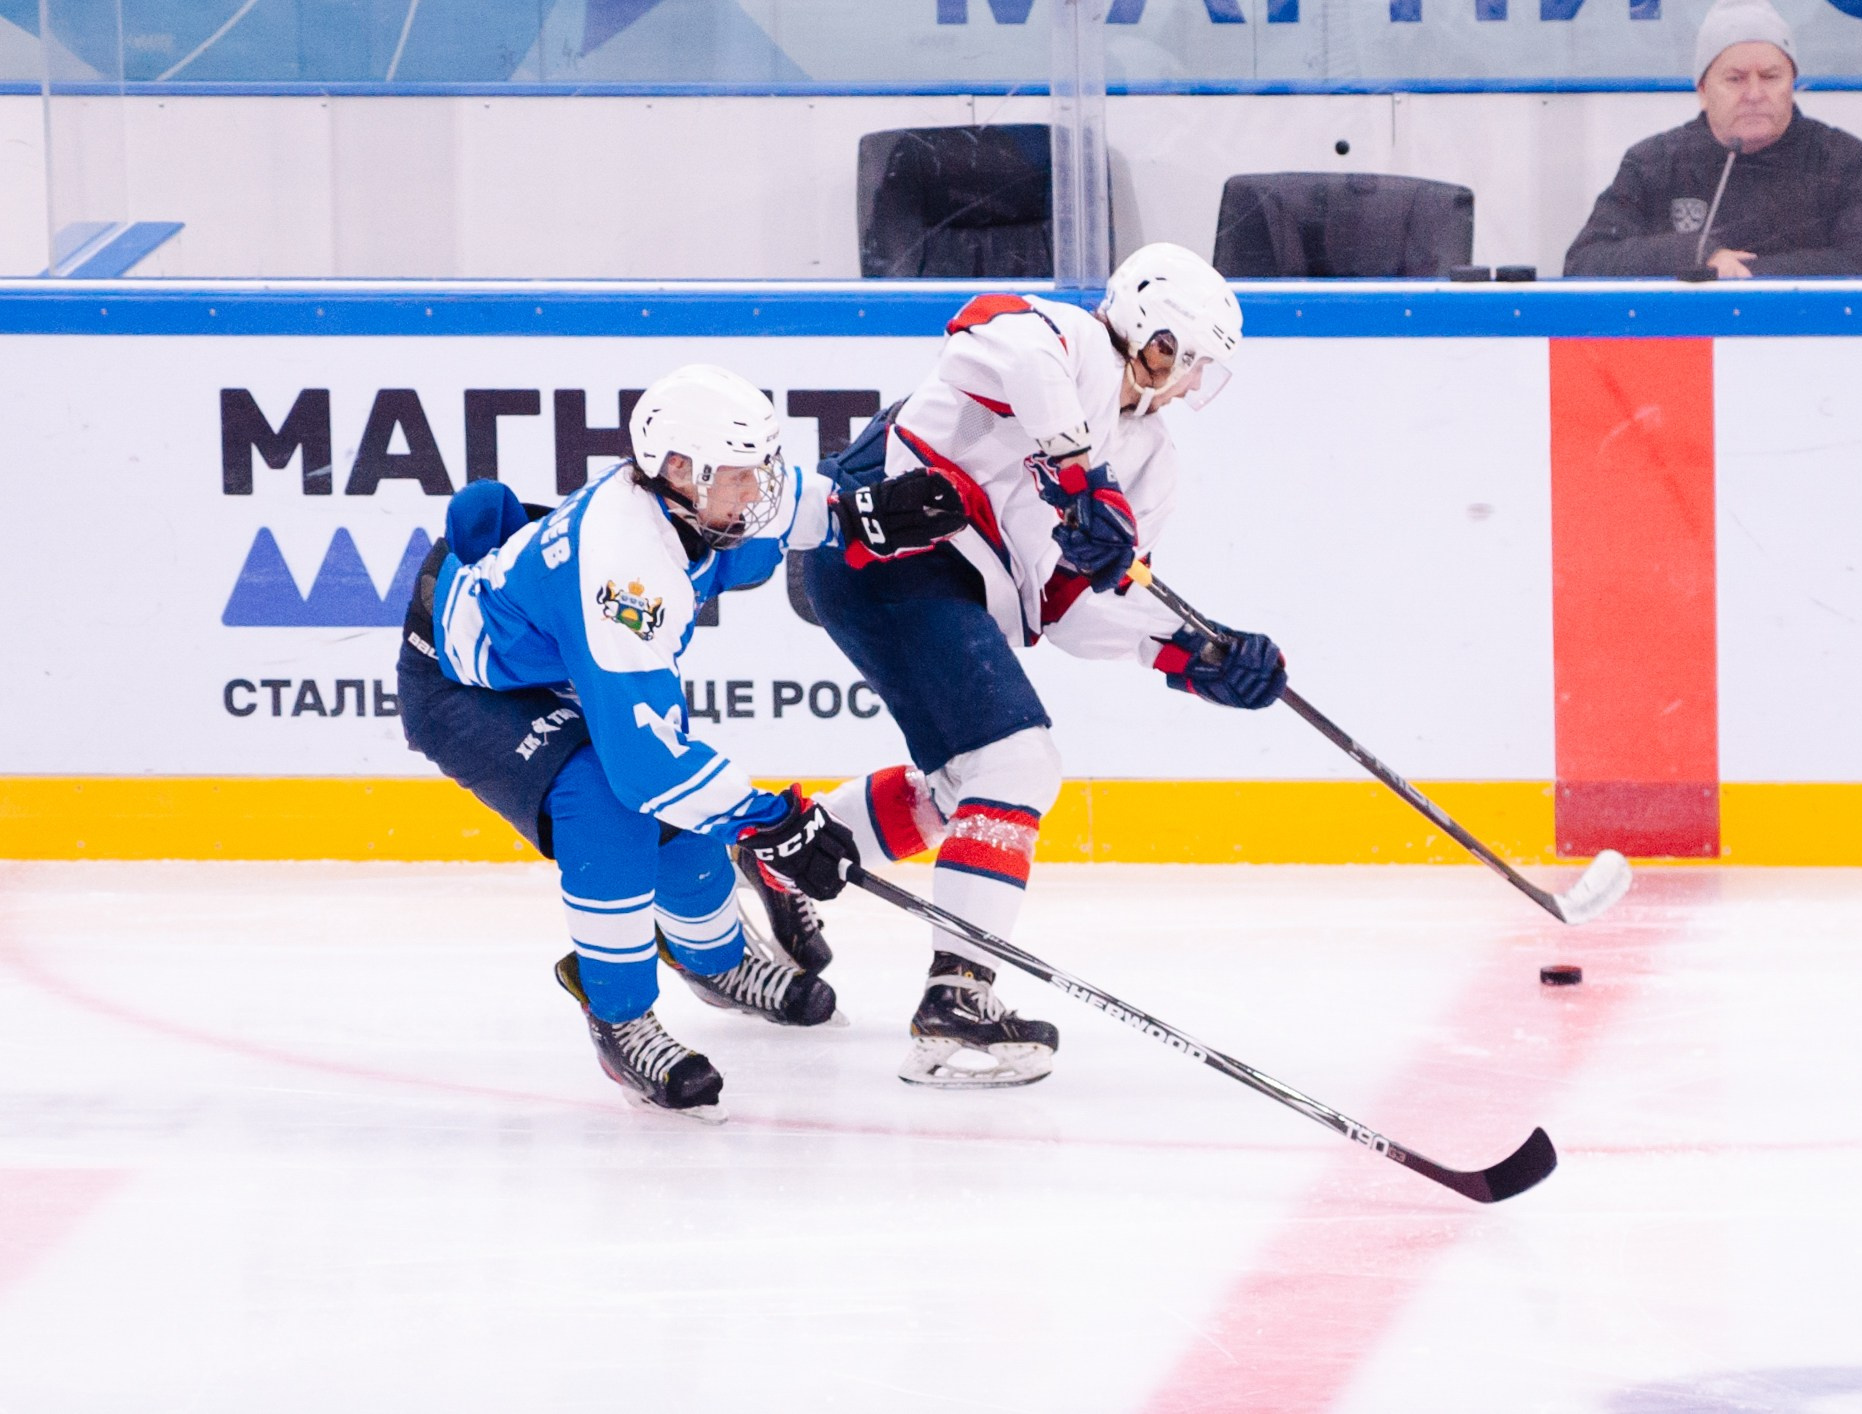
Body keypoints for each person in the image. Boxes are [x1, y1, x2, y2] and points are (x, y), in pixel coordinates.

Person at [396, 365, 968, 1116]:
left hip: (558, 658)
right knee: (606, 803)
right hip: (467, 690)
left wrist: (857, 510)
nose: (755, 491)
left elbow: (788, 503)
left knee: (689, 818)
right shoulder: (626, 573)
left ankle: (717, 962)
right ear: (676, 470)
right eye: (740, 476)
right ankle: (619, 1013)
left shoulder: (699, 504)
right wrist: (773, 824)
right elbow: (645, 769)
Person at [799, 243, 1288, 1090]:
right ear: (1142, 327)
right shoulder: (1066, 339)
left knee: (977, 782)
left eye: (1200, 368)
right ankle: (956, 1003)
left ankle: (787, 857)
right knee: (1017, 761)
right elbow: (985, 329)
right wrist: (1074, 474)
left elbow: (1073, 605)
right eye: (1180, 353)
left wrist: (1192, 655)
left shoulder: (1152, 460)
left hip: (953, 588)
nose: (1180, 378)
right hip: (889, 545)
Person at [1563, 0, 1862, 280]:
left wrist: (1736, 274)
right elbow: (1585, 263)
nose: (1754, 94)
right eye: (1735, 79)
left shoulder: (1854, 163)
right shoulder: (1654, 163)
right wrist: (1696, 253)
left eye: (1770, 77)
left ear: (1793, 84)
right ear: (1703, 91)